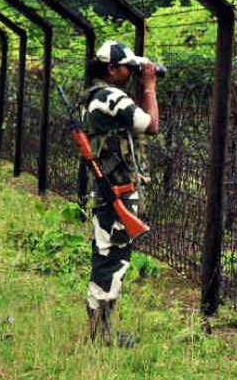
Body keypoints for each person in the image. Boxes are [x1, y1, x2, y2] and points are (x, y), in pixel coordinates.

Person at [81, 41, 159, 345]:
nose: (132, 72)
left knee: (106, 256)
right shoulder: (111, 98)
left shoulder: (95, 96)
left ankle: (100, 329)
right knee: (113, 260)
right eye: (128, 67)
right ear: (112, 69)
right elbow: (150, 124)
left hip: (108, 190)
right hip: (116, 192)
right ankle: (101, 333)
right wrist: (149, 85)